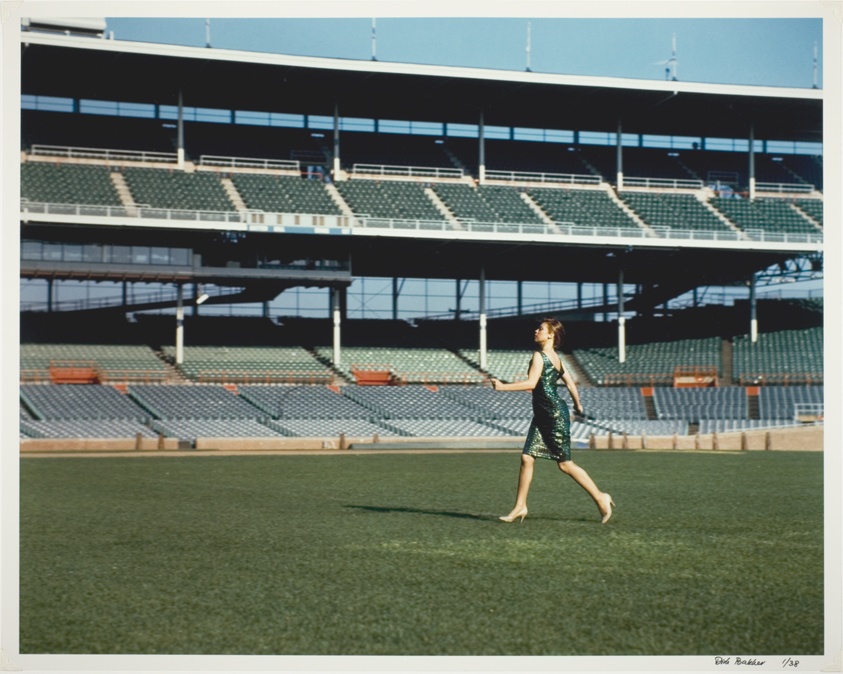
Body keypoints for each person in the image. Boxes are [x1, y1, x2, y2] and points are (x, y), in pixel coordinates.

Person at [491, 318, 615, 524]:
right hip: (543, 414)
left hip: (553, 414)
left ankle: (601, 497)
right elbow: (571, 384)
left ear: (550, 335)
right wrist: (578, 405)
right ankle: (520, 506)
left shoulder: (539, 356)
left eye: (540, 328)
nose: (535, 330)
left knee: (565, 464)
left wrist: (502, 387)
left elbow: (531, 383)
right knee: (527, 458)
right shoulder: (556, 359)